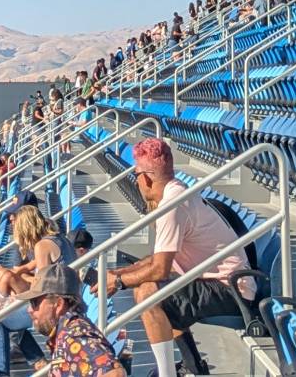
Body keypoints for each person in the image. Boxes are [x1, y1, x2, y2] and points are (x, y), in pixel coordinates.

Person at [100, 139, 255, 377]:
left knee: (148, 294)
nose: (137, 182)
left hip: (232, 289)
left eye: (136, 175)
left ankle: (167, 373)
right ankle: (193, 366)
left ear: (146, 178)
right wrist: (119, 273)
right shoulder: (176, 191)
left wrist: (120, 283)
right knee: (156, 289)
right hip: (219, 282)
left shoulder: (172, 205)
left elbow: (159, 269)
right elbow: (159, 258)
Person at [0, 204, 65, 376]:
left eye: (16, 225)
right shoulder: (57, 239)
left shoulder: (42, 246)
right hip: (64, 300)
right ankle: (38, 361)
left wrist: (18, 295)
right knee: (7, 287)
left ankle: (0, 372)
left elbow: (43, 287)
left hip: (54, 306)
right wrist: (18, 274)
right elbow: (38, 271)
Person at [25, 259, 126, 377]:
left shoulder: (74, 335)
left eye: (34, 302)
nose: (30, 310)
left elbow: (115, 374)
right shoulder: (68, 331)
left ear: (58, 304)